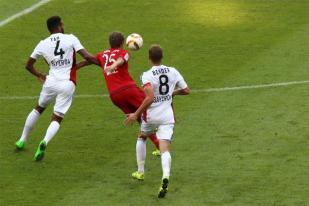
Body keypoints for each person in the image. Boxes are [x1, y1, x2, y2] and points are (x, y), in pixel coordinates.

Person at [15, 16, 98, 161]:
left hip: (50, 82)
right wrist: (103, 64)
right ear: (59, 26)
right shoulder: (71, 38)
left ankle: (22, 139)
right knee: (57, 117)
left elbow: (28, 65)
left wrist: (39, 74)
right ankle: (44, 141)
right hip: (67, 83)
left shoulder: (42, 44)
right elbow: (87, 56)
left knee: (38, 109)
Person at [76, 32, 160, 155]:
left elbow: (89, 60)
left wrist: (75, 67)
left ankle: (158, 145)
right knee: (150, 107)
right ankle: (162, 140)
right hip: (128, 89)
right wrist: (113, 65)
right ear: (122, 43)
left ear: (110, 43)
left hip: (114, 95)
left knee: (137, 116)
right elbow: (121, 60)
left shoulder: (102, 55)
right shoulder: (124, 52)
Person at [125, 45, 190, 198]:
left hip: (152, 116)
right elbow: (187, 90)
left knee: (142, 136)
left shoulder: (146, 75)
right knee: (164, 148)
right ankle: (165, 176)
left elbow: (150, 97)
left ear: (149, 58)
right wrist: (171, 93)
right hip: (167, 116)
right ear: (162, 56)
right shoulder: (173, 71)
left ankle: (140, 172)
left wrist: (135, 114)